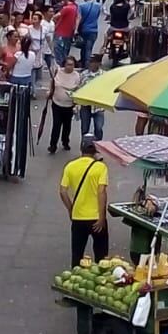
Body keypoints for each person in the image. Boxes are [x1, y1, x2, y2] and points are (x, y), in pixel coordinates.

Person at [59, 136, 109, 264]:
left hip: (78, 218)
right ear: (95, 150)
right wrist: (102, 217)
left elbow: (63, 191)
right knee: (101, 256)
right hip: (96, 218)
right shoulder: (100, 167)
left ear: (81, 149)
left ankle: (74, 277)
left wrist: (71, 209)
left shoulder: (70, 166)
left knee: (77, 254)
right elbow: (101, 192)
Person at [48, 55, 81, 152]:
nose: (70, 67)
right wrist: (50, 92)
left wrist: (77, 103)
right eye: (68, 64)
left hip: (69, 105)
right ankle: (53, 145)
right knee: (56, 125)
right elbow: (52, 83)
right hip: (57, 104)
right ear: (64, 65)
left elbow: (78, 89)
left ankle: (65, 141)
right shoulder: (58, 72)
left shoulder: (77, 76)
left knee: (67, 125)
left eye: (72, 65)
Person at [78, 53, 106, 142]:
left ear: (98, 63)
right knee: (84, 128)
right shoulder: (83, 75)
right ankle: (84, 146)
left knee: (98, 128)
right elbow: (78, 88)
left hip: (99, 106)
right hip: (86, 105)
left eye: (94, 62)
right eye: (90, 62)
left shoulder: (104, 75)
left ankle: (98, 146)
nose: (91, 64)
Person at [77, 0, 101, 67]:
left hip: (84, 30)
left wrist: (76, 29)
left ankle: (84, 63)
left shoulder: (81, 6)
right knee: (89, 48)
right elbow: (97, 16)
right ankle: (86, 65)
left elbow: (79, 18)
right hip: (93, 30)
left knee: (84, 48)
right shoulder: (98, 5)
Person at [53, 0, 79, 65]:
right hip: (69, 32)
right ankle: (64, 64)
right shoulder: (75, 8)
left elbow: (55, 16)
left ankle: (60, 65)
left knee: (58, 49)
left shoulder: (66, 8)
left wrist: (56, 22)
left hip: (60, 32)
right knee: (65, 50)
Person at [28, 11, 47, 91]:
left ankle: (34, 85)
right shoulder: (29, 28)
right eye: (33, 19)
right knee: (32, 70)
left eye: (35, 19)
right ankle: (33, 90)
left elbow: (47, 39)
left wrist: (50, 50)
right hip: (31, 51)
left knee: (38, 69)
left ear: (39, 20)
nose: (33, 20)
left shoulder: (44, 29)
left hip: (40, 52)